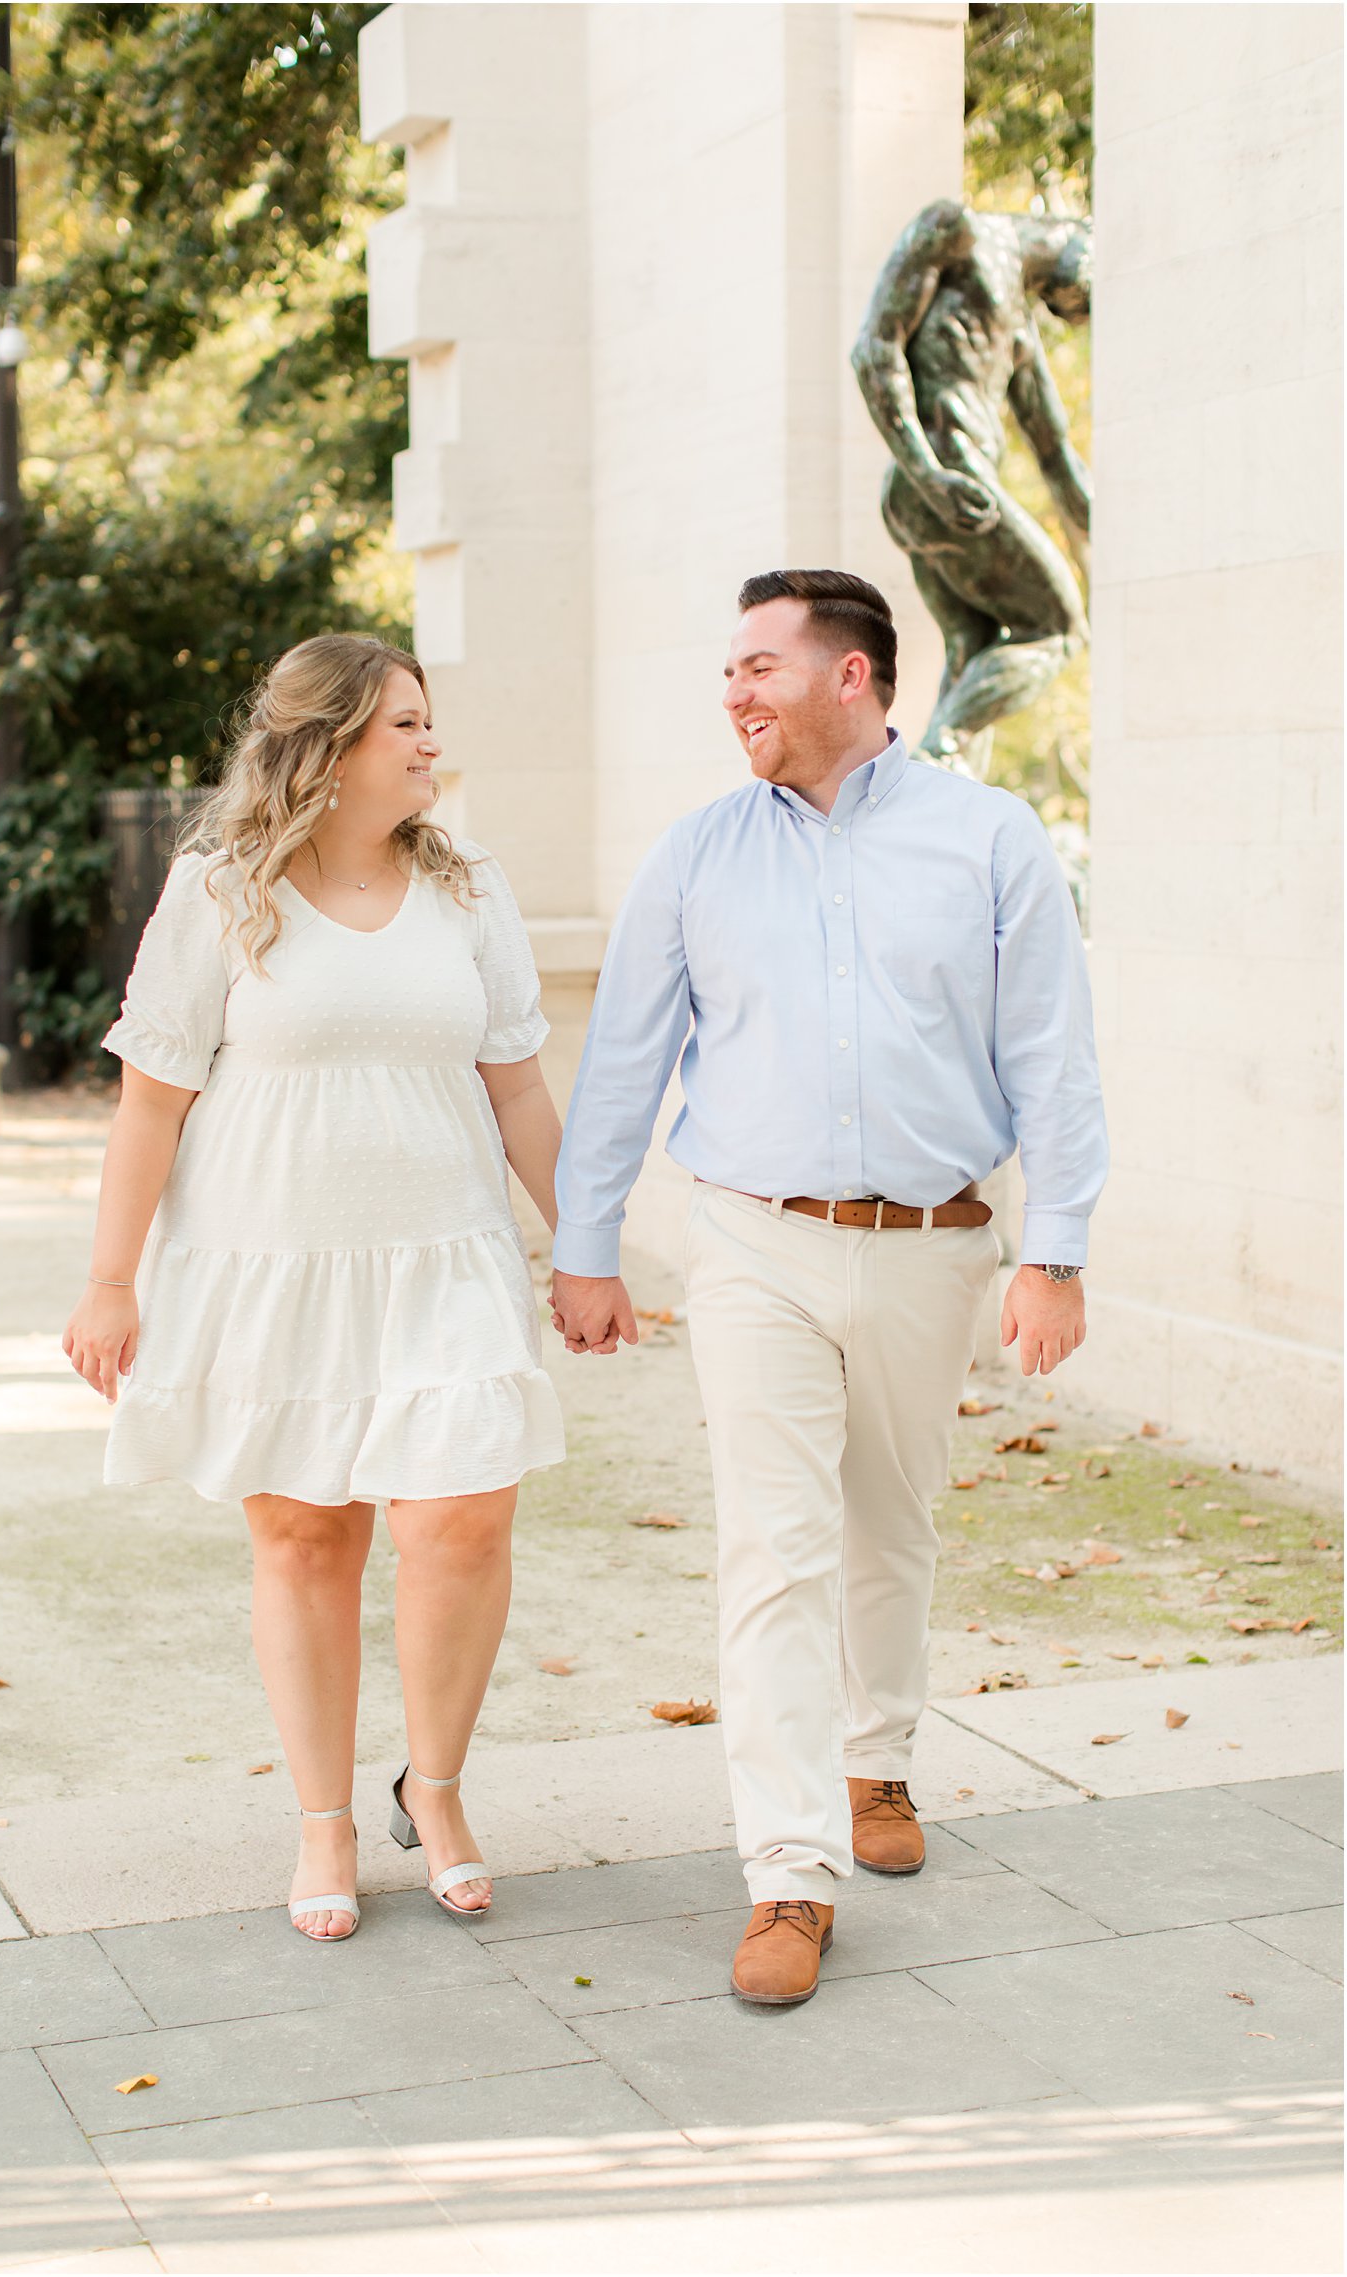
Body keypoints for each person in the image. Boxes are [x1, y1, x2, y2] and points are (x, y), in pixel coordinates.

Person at [551, 569, 1107, 2006]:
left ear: (851, 678)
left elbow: (1052, 1055)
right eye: (729, 668)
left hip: (938, 1241)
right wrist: (587, 1238)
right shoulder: (695, 857)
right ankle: (790, 1874)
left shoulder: (989, 841)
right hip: (753, 1241)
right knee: (773, 1546)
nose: (733, 692)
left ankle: (881, 1761)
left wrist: (1057, 1250)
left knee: (891, 1522)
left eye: (759, 666)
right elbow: (623, 1060)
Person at [63, 635, 565, 1942]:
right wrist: (110, 1281)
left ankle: (436, 1789)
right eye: (405, 723)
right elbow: (152, 1096)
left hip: (445, 1258)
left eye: (428, 721)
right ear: (332, 743)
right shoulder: (223, 890)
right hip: (273, 1267)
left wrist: (588, 1246)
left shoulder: (469, 890)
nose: (428, 745)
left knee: (461, 1520)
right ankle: (324, 1821)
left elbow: (516, 1084)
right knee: (307, 1540)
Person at [851, 203, 1092, 775]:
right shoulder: (952, 230)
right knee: (1057, 626)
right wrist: (929, 474)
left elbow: (1055, 452)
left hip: (949, 493)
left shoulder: (1020, 330)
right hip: (946, 485)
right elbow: (874, 349)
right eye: (1084, 301)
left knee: (973, 644)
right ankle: (941, 751)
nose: (1079, 311)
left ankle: (937, 797)